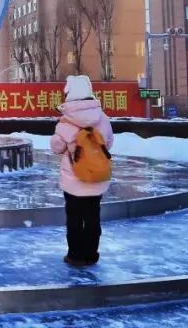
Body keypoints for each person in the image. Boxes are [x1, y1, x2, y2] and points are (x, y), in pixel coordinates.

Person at [50, 75, 113, 267]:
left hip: (73, 179)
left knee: (74, 218)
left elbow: (56, 147)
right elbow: (109, 143)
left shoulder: (65, 122)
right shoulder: (102, 118)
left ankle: (75, 256)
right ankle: (91, 255)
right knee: (93, 216)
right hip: (96, 177)